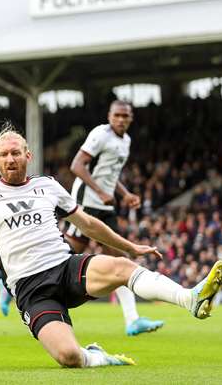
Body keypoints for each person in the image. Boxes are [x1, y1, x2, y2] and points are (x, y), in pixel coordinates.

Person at [0, 123, 222, 368]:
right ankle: (99, 357)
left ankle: (191, 299)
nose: (10, 158)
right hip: (32, 289)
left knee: (121, 267)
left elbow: (88, 224)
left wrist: (130, 246)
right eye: (4, 154)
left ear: (28, 155)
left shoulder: (48, 185)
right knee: (69, 357)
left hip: (65, 267)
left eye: (16, 152)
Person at [64, 100, 164, 336]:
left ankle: (132, 320)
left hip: (105, 203)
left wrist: (125, 194)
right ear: (109, 116)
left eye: (125, 116)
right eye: (117, 115)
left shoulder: (126, 141)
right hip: (87, 200)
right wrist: (99, 192)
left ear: (131, 118)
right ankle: (12, 285)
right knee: (66, 252)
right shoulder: (100, 134)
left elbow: (110, 173)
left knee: (119, 258)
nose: (121, 119)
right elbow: (77, 166)